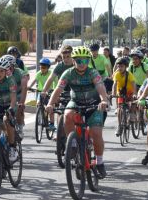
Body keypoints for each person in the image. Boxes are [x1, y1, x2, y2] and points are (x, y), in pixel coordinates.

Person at [46, 46, 111, 178]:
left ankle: (99, 162)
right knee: (67, 115)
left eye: (85, 61)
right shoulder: (68, 73)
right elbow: (58, 89)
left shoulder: (93, 73)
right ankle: (73, 144)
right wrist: (50, 104)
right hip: (76, 102)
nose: (82, 64)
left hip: (93, 104)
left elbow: (100, 86)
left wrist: (104, 100)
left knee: (96, 133)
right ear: (73, 61)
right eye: (79, 61)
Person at [112, 56, 136, 137]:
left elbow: (133, 84)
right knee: (119, 109)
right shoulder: (116, 74)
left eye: (121, 66)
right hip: (121, 92)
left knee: (133, 102)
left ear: (126, 67)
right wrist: (113, 94)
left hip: (129, 92)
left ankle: (132, 114)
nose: (119, 68)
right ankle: (119, 126)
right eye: (118, 66)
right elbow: (114, 84)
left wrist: (135, 94)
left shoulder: (129, 75)